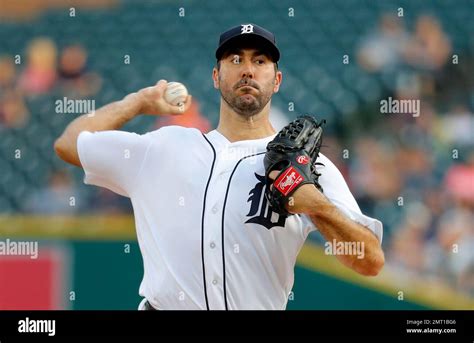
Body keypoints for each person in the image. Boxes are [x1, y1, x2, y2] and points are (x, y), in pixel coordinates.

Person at [54, 23, 384, 310]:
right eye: (235, 59)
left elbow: (370, 261)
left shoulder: (309, 167)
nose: (248, 69)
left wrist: (317, 206)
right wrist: (135, 103)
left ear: (277, 79)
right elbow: (69, 143)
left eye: (260, 60)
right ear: (215, 76)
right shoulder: (164, 148)